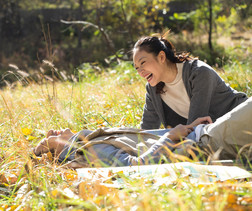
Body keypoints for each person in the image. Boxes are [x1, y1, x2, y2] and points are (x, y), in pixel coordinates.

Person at [33, 97, 252, 168]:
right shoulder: (90, 150)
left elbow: (149, 137)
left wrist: (189, 126)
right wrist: (170, 137)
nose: (52, 130)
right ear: (57, 151)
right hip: (208, 143)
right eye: (48, 138)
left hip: (202, 134)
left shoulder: (94, 139)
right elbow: (135, 167)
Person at [132, 35, 248, 129]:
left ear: (161, 57)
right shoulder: (153, 89)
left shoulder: (199, 73)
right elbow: (147, 131)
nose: (140, 71)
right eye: (136, 68)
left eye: (143, 63)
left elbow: (196, 126)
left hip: (241, 119)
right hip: (215, 134)